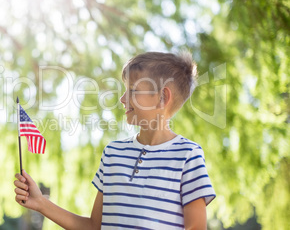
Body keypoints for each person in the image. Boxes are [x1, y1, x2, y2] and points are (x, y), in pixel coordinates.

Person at [14, 51, 216, 229]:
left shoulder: (188, 156)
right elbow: (94, 226)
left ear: (162, 97)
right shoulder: (113, 153)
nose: (122, 98)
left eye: (133, 90)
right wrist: (40, 202)